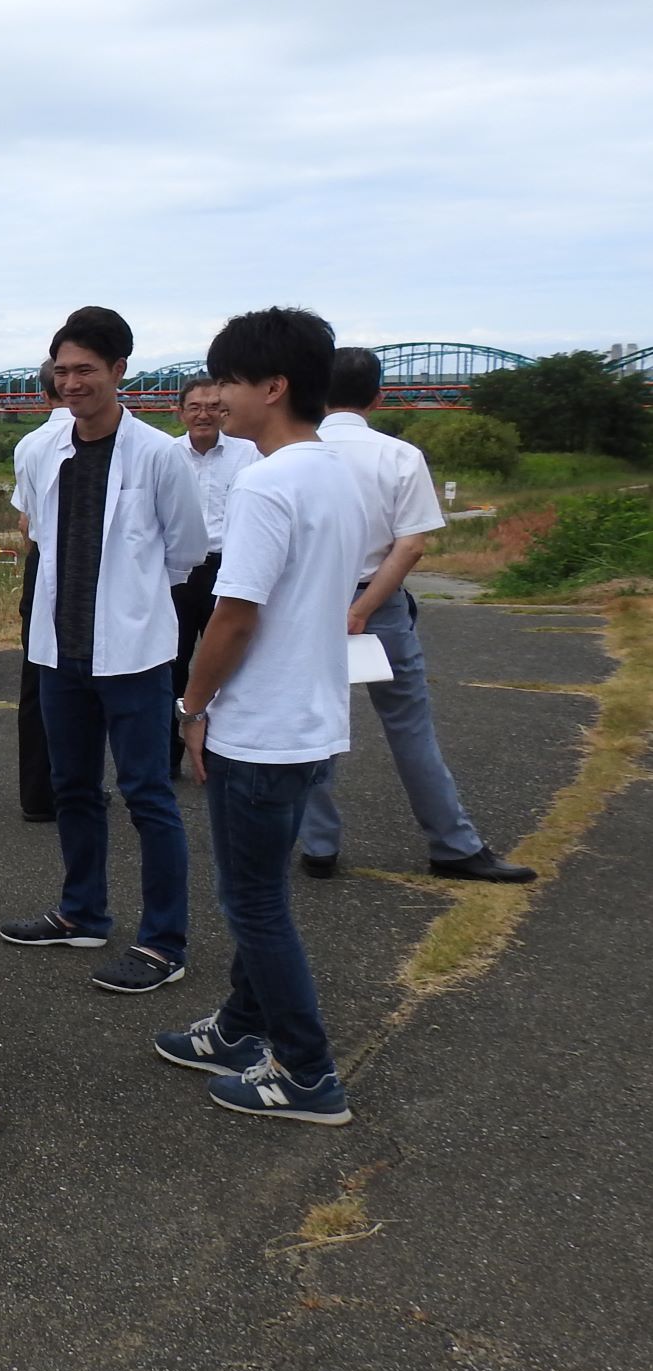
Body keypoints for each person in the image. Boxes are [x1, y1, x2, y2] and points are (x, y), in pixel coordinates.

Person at [158, 307, 366, 1125]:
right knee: (261, 890)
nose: (217, 396)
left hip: (261, 726)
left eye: (230, 381)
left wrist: (191, 705)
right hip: (311, 719)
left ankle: (307, 1071)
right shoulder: (331, 472)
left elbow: (232, 615)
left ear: (272, 387)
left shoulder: (266, 482)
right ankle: (241, 1028)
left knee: (252, 903)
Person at [0, 306, 208, 994]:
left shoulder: (158, 455)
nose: (69, 383)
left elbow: (184, 552)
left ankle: (161, 942)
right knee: (72, 786)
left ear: (119, 371)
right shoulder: (38, 450)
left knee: (147, 792)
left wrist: (129, 601)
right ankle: (82, 911)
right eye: (60, 370)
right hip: (59, 650)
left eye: (84, 370)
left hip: (134, 653)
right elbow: (36, 534)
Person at [297, 350, 534, 883]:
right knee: (410, 729)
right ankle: (452, 845)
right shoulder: (399, 455)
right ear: (378, 398)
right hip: (379, 607)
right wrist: (362, 610)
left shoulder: (292, 455)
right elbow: (410, 548)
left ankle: (318, 844)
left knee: (313, 723)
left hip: (308, 606)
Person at [167, 377, 260, 776]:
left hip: (230, 567)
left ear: (224, 411)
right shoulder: (166, 454)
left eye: (212, 406)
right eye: (194, 407)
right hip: (178, 571)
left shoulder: (250, 454)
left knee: (229, 664)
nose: (203, 414)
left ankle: (224, 757)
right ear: (180, 411)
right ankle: (165, 759)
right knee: (171, 662)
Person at [10, 368, 71, 822]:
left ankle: (36, 792)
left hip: (42, 567)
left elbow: (25, 523)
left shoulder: (28, 445)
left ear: (43, 394)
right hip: (93, 573)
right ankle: (79, 783)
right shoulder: (130, 438)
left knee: (36, 678)